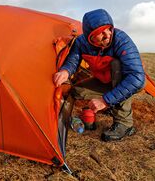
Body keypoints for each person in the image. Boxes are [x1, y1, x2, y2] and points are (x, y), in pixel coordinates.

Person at [53, 9, 145, 142]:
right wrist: (65, 71)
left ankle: (124, 124)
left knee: (116, 65)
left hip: (127, 81)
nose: (107, 35)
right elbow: (73, 60)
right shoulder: (81, 43)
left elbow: (137, 78)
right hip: (103, 80)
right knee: (74, 91)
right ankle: (62, 119)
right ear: (89, 36)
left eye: (109, 29)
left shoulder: (121, 40)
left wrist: (105, 101)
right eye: (101, 32)